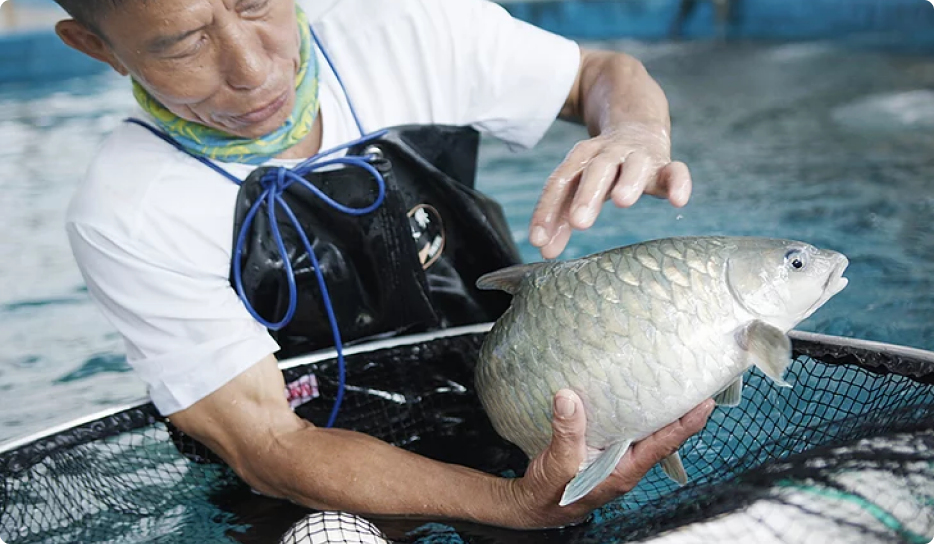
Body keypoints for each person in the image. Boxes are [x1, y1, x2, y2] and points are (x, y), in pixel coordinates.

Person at [54, 0, 714, 531]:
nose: (252, 71)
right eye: (183, 42)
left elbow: (593, 75)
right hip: (311, 493)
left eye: (255, 5)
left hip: (516, 410)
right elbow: (269, 447)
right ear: (97, 47)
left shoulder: (409, 28)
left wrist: (634, 131)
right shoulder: (126, 213)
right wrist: (513, 505)